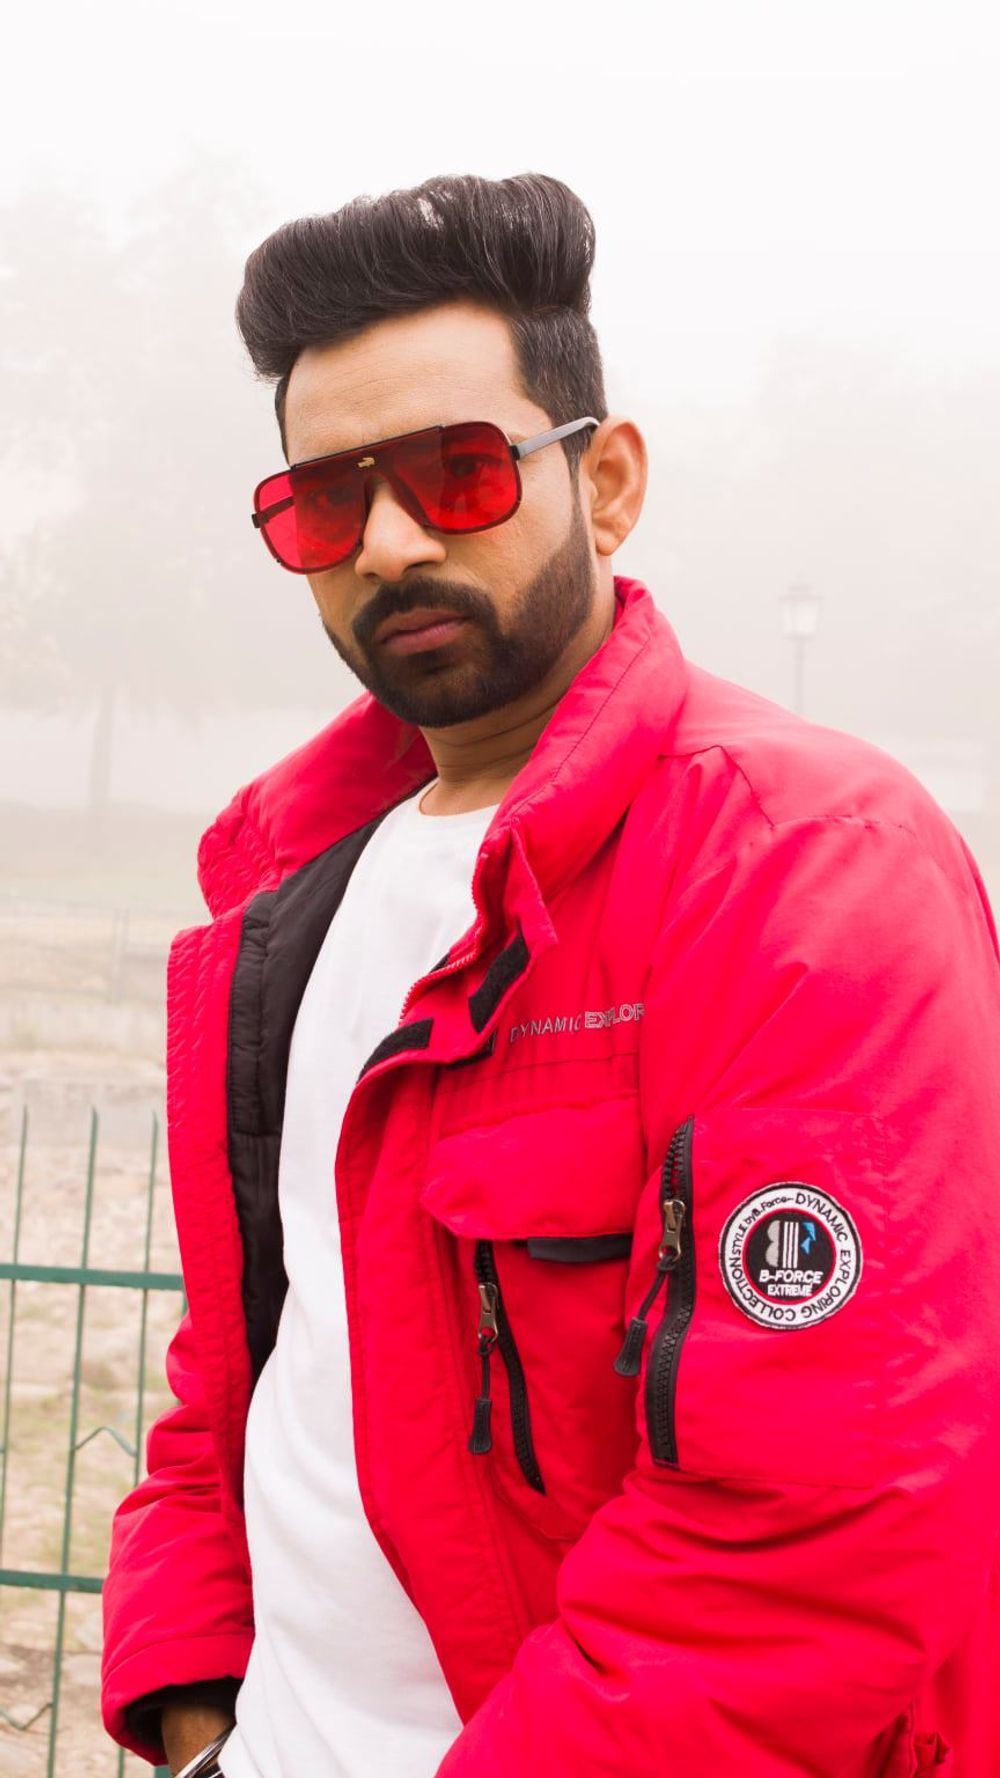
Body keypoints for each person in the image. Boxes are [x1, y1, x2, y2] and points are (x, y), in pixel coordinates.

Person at [101, 172, 1000, 1778]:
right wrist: (192, 1707)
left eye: (456, 471)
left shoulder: (803, 867)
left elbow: (810, 1535)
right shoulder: (291, 897)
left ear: (609, 482)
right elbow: (242, 1365)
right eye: (324, 503)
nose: (387, 543)